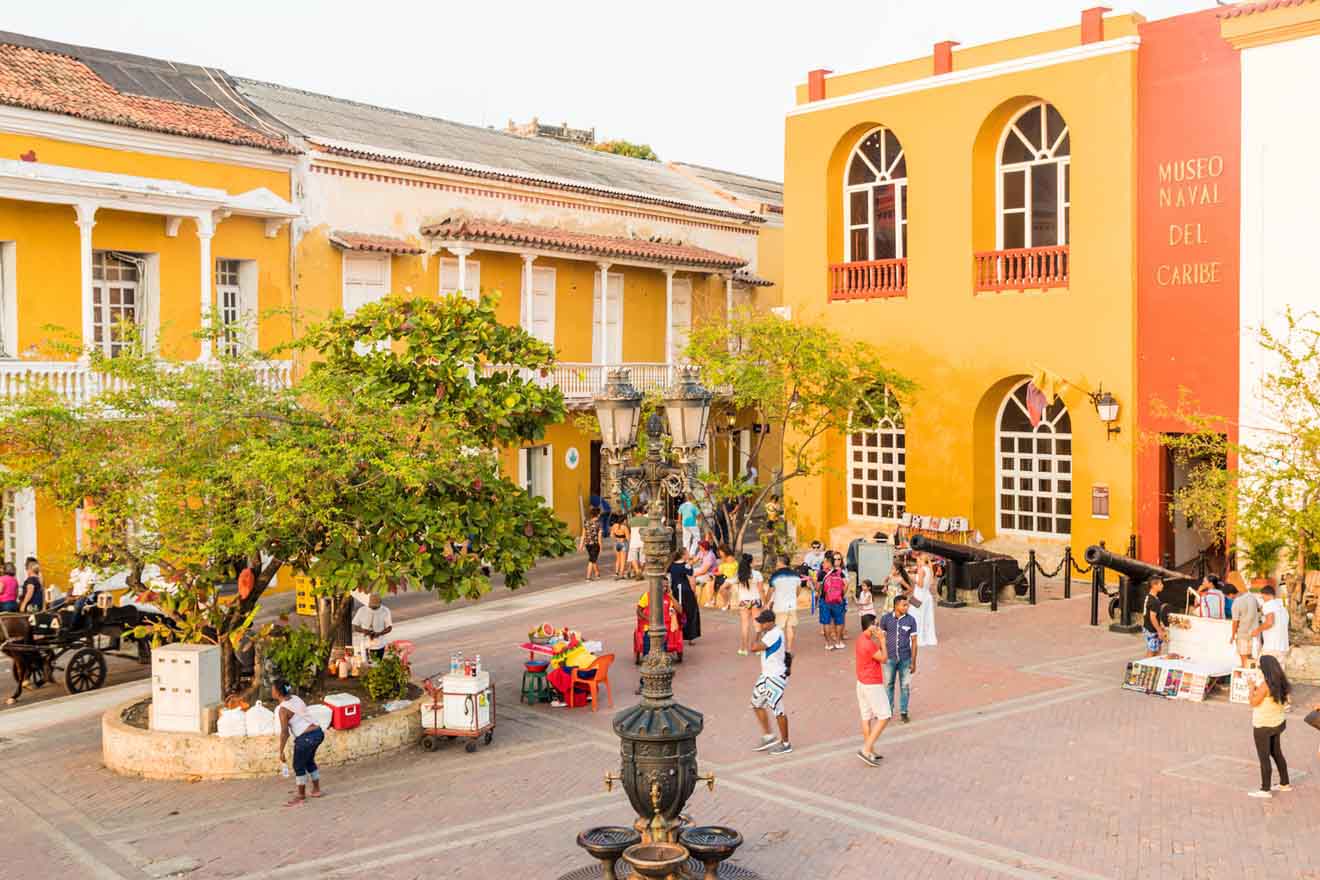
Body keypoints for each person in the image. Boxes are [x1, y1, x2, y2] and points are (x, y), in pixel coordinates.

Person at [1247, 654, 1291, 798]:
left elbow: (1253, 702)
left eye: (1260, 666)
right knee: (1276, 752)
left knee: (1264, 757)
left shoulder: (1265, 685)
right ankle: (1285, 783)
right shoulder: (1282, 681)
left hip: (1263, 725)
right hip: (1277, 722)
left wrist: (1251, 687)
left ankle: (1265, 789)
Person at [274, 680, 324, 807]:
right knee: (309, 761)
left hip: (305, 738)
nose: (271, 691)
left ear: (278, 692)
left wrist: (280, 751)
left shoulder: (283, 709)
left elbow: (285, 732)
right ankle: (316, 790)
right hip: (318, 733)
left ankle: (301, 796)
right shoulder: (295, 698)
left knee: (298, 766)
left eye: (273, 689)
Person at [748, 608, 791, 755]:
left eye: (763, 623)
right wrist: (761, 630)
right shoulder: (772, 632)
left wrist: (758, 632)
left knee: (778, 711)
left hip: (775, 677)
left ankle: (786, 744)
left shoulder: (773, 634)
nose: (761, 625)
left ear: (771, 622)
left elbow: (753, 647)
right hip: (766, 676)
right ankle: (769, 736)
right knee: (756, 703)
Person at [854, 613, 891, 766]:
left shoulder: (861, 639)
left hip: (861, 683)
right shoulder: (868, 644)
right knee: (885, 716)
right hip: (872, 683)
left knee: (866, 717)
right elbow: (884, 659)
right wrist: (882, 640)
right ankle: (866, 749)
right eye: (876, 624)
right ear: (870, 626)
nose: (878, 627)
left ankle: (870, 751)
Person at [880, 594, 920, 723]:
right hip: (889, 659)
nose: (906, 607)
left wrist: (913, 662)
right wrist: (882, 656)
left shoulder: (911, 620)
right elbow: (881, 639)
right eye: (904, 605)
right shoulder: (885, 619)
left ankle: (903, 712)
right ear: (896, 606)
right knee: (888, 685)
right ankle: (888, 711)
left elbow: (914, 642)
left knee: (905, 686)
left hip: (905, 659)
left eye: (907, 605)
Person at [768, 555, 801, 653]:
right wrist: (794, 597)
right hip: (792, 605)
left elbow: (770, 591)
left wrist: (767, 602)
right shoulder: (795, 574)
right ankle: (789, 649)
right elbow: (798, 589)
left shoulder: (775, 575)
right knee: (790, 627)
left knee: (778, 628)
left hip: (779, 605)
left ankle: (779, 649)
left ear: (780, 562)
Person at [735, 553, 766, 656]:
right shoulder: (757, 574)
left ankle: (743, 648)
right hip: (755, 601)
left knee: (745, 625)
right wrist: (764, 602)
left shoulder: (740, 574)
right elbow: (761, 590)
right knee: (758, 624)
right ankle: (757, 647)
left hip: (744, 602)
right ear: (751, 562)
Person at [669, 550, 701, 642]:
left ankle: (677, 634)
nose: (688, 555)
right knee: (690, 612)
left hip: (675, 591)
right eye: (687, 553)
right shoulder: (685, 565)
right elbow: (691, 573)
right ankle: (690, 636)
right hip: (685, 591)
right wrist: (690, 563)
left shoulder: (672, 565)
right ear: (683, 555)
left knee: (677, 612)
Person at [351, 593, 393, 661]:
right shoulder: (362, 610)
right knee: (365, 665)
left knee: (376, 666)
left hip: (379, 645)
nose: (373, 607)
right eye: (372, 606)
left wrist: (379, 633)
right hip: (365, 645)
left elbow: (389, 627)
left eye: (375, 606)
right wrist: (363, 630)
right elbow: (354, 626)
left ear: (380, 603)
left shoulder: (385, 611)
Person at [819, 556, 849, 651]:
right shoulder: (839, 572)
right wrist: (841, 594)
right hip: (838, 600)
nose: (823, 564)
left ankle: (828, 644)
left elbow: (818, 589)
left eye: (824, 562)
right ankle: (838, 642)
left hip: (825, 601)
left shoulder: (821, 573)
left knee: (826, 622)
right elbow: (846, 584)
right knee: (839, 621)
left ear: (828, 562)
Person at [1253, 585, 1290, 659]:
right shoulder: (1283, 608)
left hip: (1271, 647)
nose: (1263, 599)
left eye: (1263, 597)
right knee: (1278, 670)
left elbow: (1269, 622)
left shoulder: (1268, 604)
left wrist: (1257, 630)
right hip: (1283, 647)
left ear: (1268, 595)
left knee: (1262, 667)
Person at [1228, 582, 1261, 667]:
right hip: (1255, 632)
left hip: (1243, 634)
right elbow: (1259, 609)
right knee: (1253, 659)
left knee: (1244, 659)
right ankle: (1252, 678)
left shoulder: (1236, 603)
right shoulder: (1251, 597)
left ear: (1230, 594)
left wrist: (1232, 635)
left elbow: (1235, 621)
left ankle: (1246, 676)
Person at [911, 556, 938, 647]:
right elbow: (931, 583)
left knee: (915, 615)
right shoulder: (929, 569)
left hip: (918, 596)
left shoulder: (921, 570)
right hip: (927, 596)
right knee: (926, 617)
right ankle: (927, 637)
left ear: (921, 560)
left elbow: (920, 584)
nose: (916, 562)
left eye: (917, 560)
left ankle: (918, 637)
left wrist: (913, 578)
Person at [1142, 578, 1168, 657]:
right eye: (1160, 584)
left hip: (1147, 627)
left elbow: (1155, 616)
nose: (1162, 586)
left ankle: (1154, 666)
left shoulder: (1149, 597)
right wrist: (1159, 631)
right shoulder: (1154, 601)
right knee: (1152, 652)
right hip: (1152, 630)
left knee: (1157, 650)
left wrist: (1161, 625)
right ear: (1154, 586)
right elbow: (1152, 618)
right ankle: (1146, 668)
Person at [579, 508, 603, 581]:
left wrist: (581, 545)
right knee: (591, 560)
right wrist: (601, 547)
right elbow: (599, 537)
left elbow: (583, 535)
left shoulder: (586, 522)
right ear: (598, 514)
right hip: (595, 544)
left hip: (587, 544)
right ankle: (588, 577)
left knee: (593, 559)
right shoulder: (599, 524)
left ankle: (597, 573)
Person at [692, 541, 718, 608]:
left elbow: (704, 571)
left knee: (692, 578)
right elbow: (694, 560)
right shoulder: (701, 552)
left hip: (709, 574)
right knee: (688, 574)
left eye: (700, 546)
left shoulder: (710, 556)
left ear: (703, 547)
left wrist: (694, 575)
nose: (699, 547)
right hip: (701, 570)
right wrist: (687, 564)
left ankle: (695, 598)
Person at [715, 545, 738, 611]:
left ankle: (726, 603)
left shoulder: (730, 558)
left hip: (732, 578)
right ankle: (726, 602)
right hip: (727, 577)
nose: (720, 553)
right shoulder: (724, 558)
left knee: (721, 589)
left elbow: (728, 571)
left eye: (721, 552)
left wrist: (719, 572)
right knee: (721, 588)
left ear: (724, 551)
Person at [627, 511, 647, 580]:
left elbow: (629, 530)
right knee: (643, 559)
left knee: (633, 558)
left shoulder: (631, 520)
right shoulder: (647, 520)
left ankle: (637, 571)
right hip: (644, 541)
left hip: (633, 542)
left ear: (635, 512)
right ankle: (640, 572)